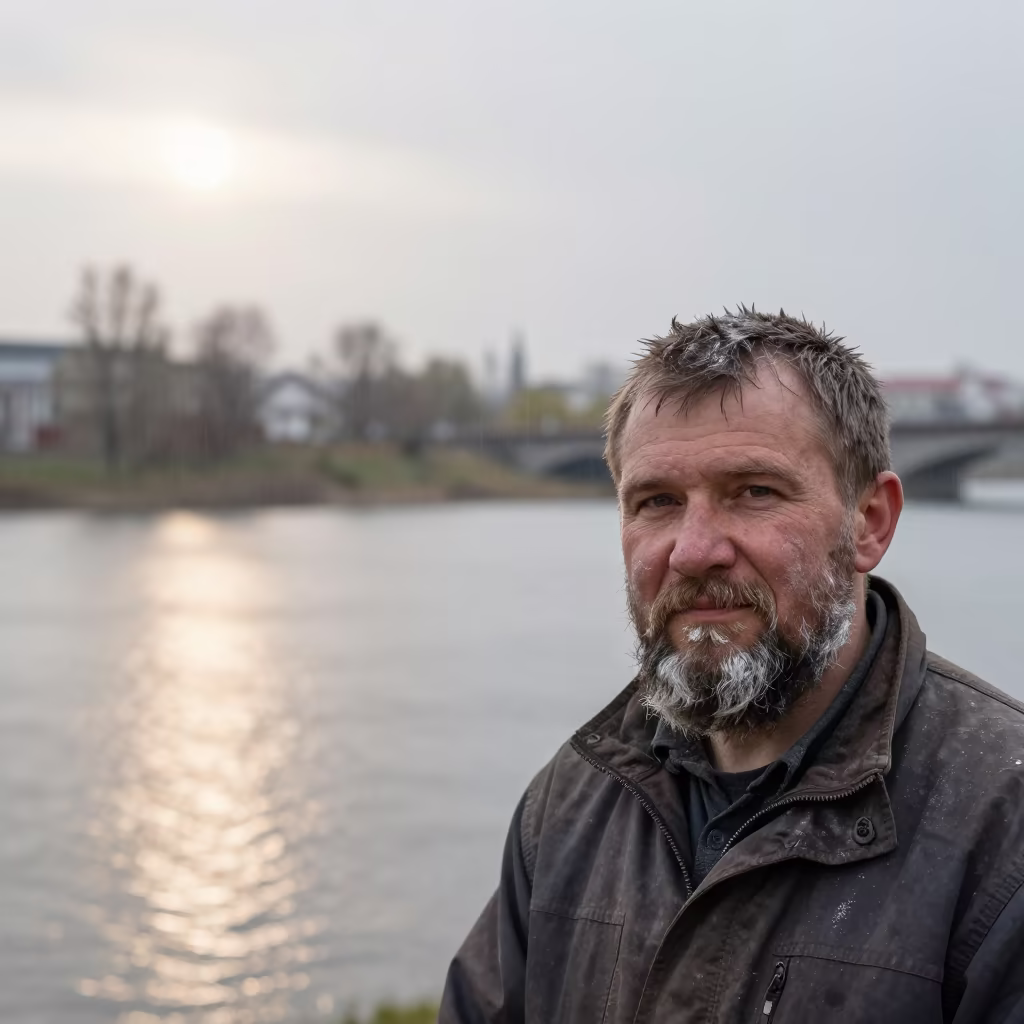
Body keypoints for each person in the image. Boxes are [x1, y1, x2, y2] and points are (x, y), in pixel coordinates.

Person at [439, 308, 1024, 1023]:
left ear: (869, 522)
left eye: (754, 492)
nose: (693, 550)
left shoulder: (1003, 825)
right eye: (656, 502)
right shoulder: (567, 807)